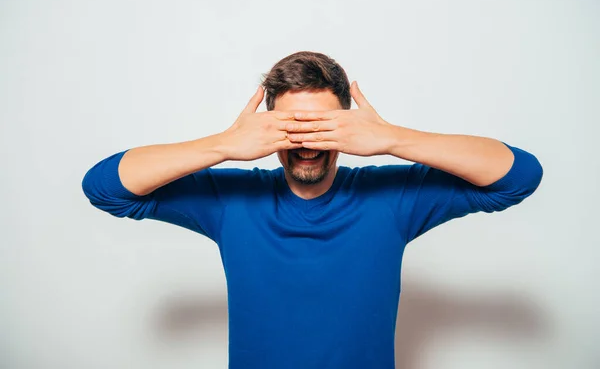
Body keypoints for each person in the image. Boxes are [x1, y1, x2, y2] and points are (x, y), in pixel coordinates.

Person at [82, 51, 543, 369]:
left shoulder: (392, 198)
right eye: (290, 128)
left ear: (346, 126)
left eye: (322, 127)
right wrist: (223, 145)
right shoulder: (230, 201)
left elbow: (518, 176)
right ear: (267, 131)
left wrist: (393, 139)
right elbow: (106, 188)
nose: (306, 143)